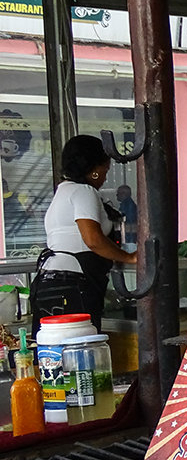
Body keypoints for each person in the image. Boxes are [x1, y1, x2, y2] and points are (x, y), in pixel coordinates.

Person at [32, 135, 137, 333]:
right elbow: (93, 239)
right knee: (81, 347)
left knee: (57, 351)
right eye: (105, 170)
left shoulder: (63, 191)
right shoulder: (84, 192)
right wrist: (129, 257)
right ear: (95, 169)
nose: (105, 176)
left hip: (51, 280)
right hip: (74, 284)